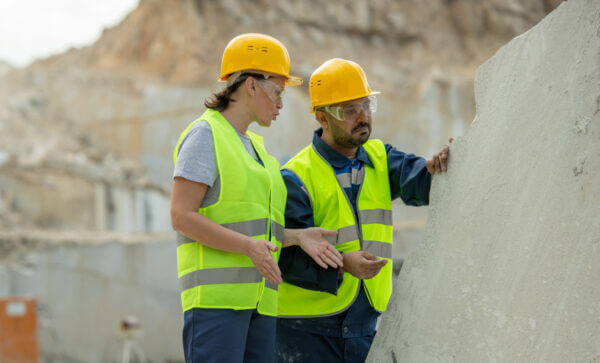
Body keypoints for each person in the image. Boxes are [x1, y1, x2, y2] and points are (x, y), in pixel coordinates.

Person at [170, 34, 343, 363]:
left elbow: (253, 228)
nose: (281, 104)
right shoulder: (205, 136)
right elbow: (181, 216)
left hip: (261, 303)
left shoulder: (257, 150)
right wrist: (248, 248)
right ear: (251, 85)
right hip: (216, 307)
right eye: (277, 92)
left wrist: (295, 237)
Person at [275, 58, 451, 363]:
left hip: (364, 326)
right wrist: (343, 264)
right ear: (322, 118)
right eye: (349, 110)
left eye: (366, 105)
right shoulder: (296, 177)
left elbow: (425, 182)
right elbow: (287, 258)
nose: (363, 117)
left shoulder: (381, 158)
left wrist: (448, 163)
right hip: (305, 331)